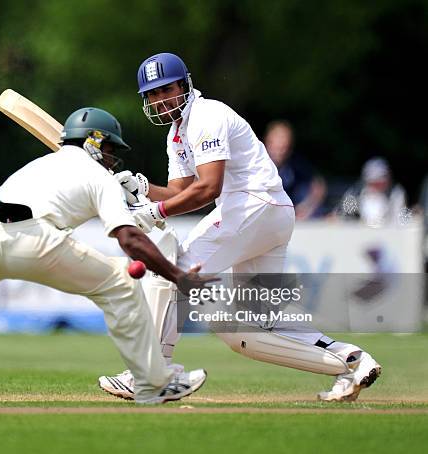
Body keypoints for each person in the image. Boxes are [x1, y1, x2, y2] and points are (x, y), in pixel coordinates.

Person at [98, 52, 381, 402]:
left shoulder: (206, 115)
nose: (161, 99)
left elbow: (209, 188)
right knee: (250, 330)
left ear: (184, 85)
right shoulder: (177, 134)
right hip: (265, 215)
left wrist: (155, 211)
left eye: (166, 90)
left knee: (171, 270)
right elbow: (180, 191)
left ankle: (149, 373)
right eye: (153, 95)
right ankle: (351, 361)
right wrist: (139, 187)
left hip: (253, 206)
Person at [0, 107, 209, 405]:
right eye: (110, 150)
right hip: (35, 240)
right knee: (121, 286)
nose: (113, 159)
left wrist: (131, 203)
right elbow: (130, 240)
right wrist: (178, 277)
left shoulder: (38, 166)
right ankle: (152, 384)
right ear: (95, 142)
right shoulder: (100, 179)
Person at [264, 120, 327, 219]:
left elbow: (318, 185)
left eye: (284, 148)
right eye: (277, 147)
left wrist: (305, 209)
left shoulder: (295, 164)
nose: (281, 152)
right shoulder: (256, 165)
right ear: (268, 142)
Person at [335, 157, 408, 227]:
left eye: (383, 179)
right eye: (376, 181)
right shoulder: (355, 193)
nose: (380, 184)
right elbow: (342, 215)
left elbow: (403, 219)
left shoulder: (396, 193)